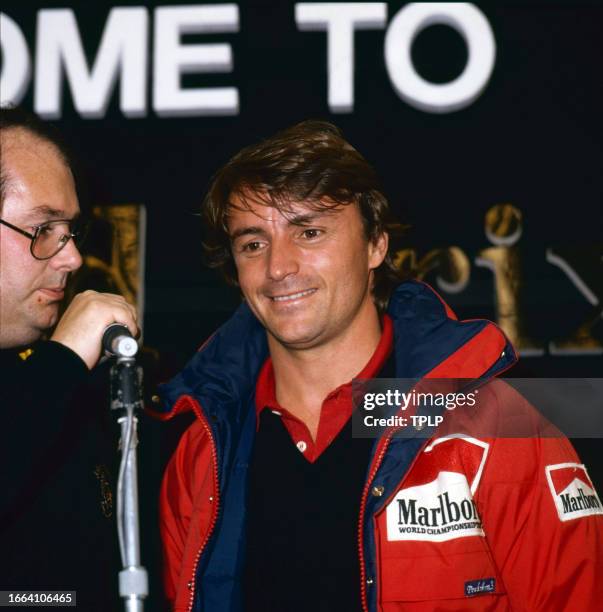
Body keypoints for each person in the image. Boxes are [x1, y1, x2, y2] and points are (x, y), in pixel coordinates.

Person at [156, 121, 603, 611]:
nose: (278, 267)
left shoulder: (498, 425)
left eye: (309, 232)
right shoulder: (202, 447)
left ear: (376, 245)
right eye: (253, 243)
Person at [0, 106, 138, 607]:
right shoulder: (55, 374)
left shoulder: (62, 383)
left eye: (69, 231)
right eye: (43, 230)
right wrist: (62, 361)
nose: (72, 258)